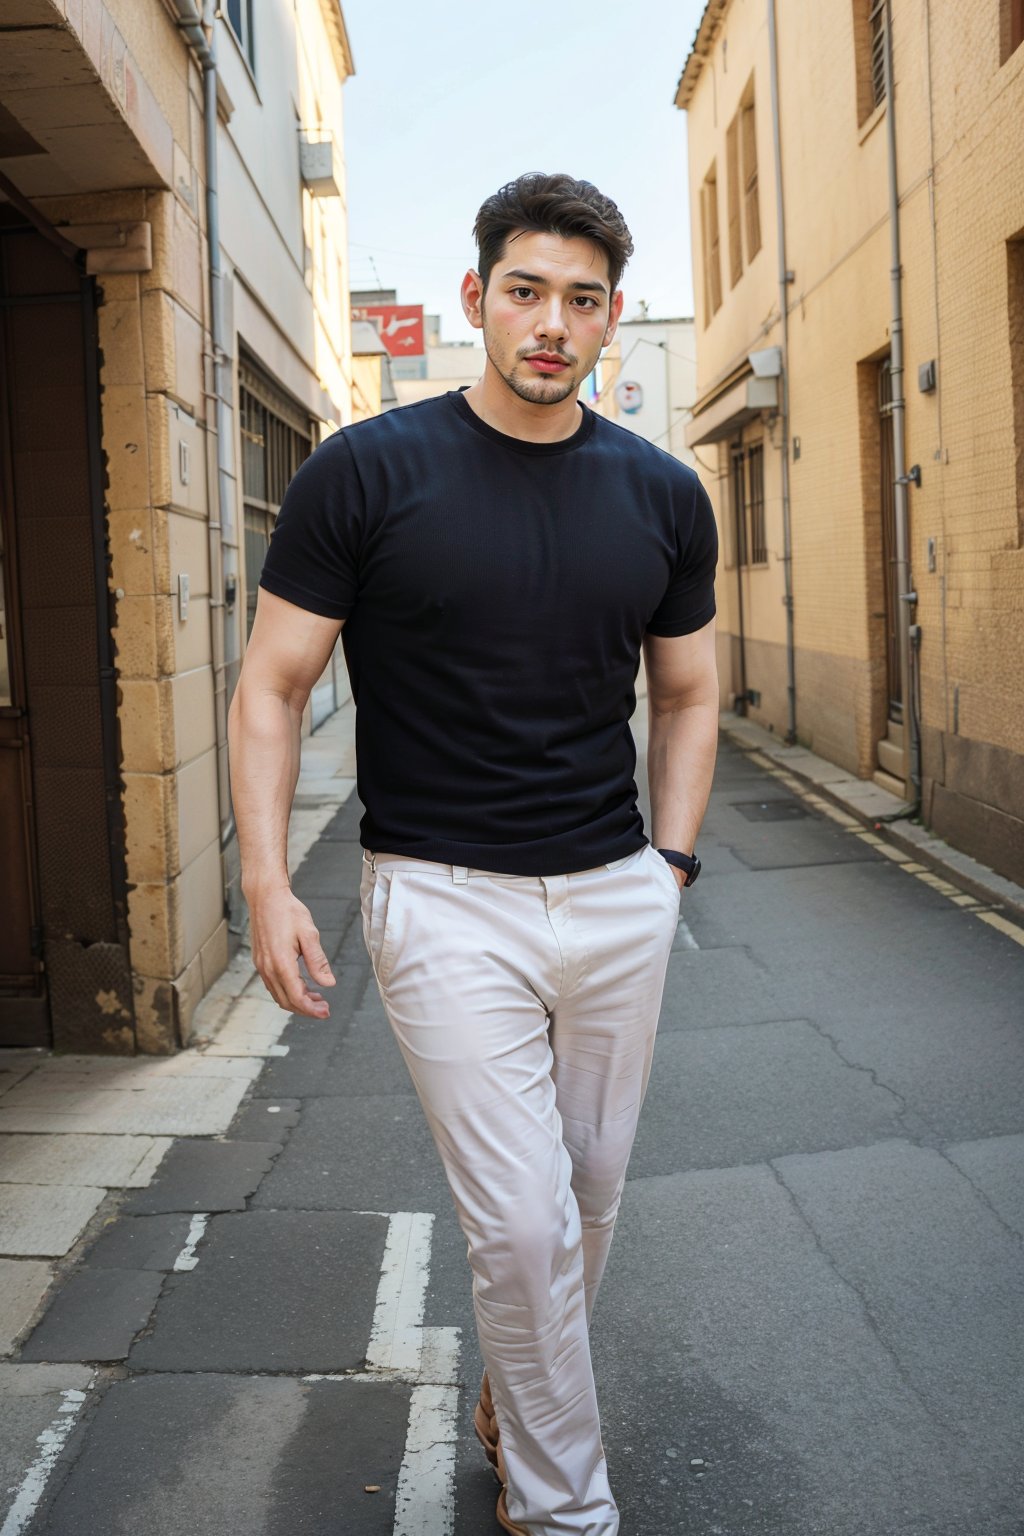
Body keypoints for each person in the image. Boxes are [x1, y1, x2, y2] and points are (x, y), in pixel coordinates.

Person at [228, 172, 719, 1536]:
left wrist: (666, 870)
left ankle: (519, 1395)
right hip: (442, 899)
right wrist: (268, 882)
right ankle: (565, 1509)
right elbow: (271, 683)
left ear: (611, 318)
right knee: (520, 1224)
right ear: (475, 301)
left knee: (588, 1202)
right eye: (526, 292)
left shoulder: (665, 495)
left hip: (619, 893)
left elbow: (685, 696)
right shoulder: (365, 470)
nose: (551, 323)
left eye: (580, 300)